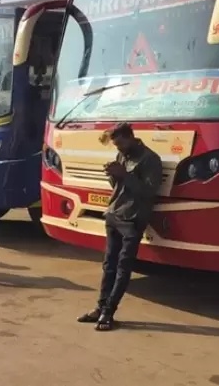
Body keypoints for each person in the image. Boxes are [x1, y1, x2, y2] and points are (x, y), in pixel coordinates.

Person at [78, 123, 163, 332]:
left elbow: (149, 191)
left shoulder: (150, 159)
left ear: (131, 138)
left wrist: (125, 175)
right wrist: (113, 175)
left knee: (123, 268)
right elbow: (118, 188)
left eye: (121, 145)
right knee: (109, 265)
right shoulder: (123, 155)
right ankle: (100, 307)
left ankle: (109, 311)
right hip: (114, 214)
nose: (119, 150)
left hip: (132, 219)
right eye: (116, 146)